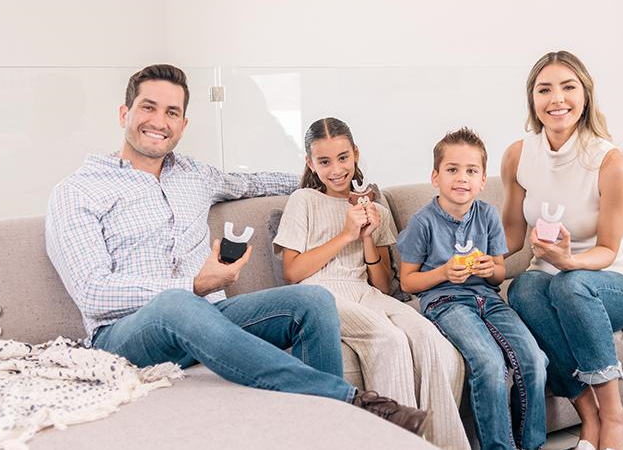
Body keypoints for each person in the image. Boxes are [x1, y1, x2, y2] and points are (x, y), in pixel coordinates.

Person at [45, 64, 428, 435]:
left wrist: (333, 185)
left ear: (183, 124)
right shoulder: (78, 191)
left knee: (312, 301)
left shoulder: (194, 175)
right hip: (127, 334)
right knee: (176, 303)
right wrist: (193, 285)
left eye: (172, 112)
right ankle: (348, 403)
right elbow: (92, 292)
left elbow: (253, 183)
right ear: (124, 113)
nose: (159, 121)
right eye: (149, 107)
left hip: (211, 320)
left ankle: (320, 436)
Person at [273, 117, 469, 450]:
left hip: (365, 292)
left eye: (343, 158)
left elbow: (381, 285)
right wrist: (346, 234)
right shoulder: (303, 200)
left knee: (429, 338)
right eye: (324, 161)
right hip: (321, 292)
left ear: (356, 154)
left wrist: (366, 237)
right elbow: (293, 272)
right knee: (389, 340)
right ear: (310, 163)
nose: (336, 169)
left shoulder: (375, 208)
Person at [501, 51, 623, 450]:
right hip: (548, 283)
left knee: (570, 284)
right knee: (522, 288)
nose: (557, 99)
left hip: (610, 282)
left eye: (568, 87)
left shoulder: (610, 162)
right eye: (544, 89)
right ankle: (589, 417)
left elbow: (607, 249)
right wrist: (478, 260)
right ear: (532, 99)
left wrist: (569, 262)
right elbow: (511, 235)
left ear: (585, 95)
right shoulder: (518, 155)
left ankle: (613, 418)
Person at [397, 127, 548, 450]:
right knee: (490, 364)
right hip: (446, 302)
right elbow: (408, 281)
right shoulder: (423, 222)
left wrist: (491, 269)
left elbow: (499, 274)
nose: (462, 178)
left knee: (534, 359)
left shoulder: (489, 216)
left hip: (489, 299)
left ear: (482, 181)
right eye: (452, 169)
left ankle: (531, 444)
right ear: (436, 177)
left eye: (471, 171)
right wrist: (442, 272)